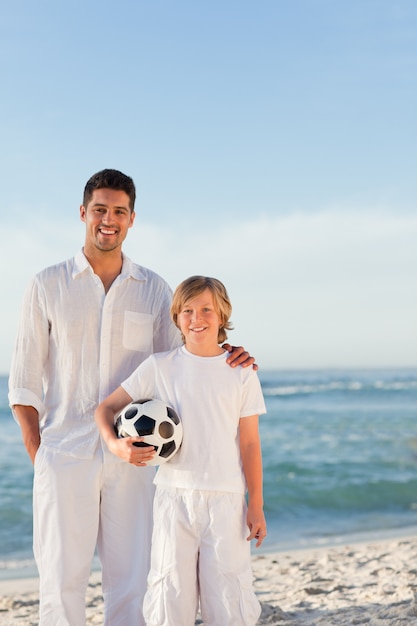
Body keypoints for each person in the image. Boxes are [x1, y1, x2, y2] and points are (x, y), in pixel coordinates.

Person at [8, 169, 256, 626]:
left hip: (137, 460)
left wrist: (229, 352)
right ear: (83, 214)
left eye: (118, 211)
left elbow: (185, 359)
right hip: (65, 454)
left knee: (133, 582)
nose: (109, 219)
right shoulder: (46, 285)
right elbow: (23, 385)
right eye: (99, 209)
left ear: (132, 219)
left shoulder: (156, 290)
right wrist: (40, 456)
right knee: (60, 582)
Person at [95, 275, 267, 626]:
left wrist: (257, 504)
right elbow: (106, 408)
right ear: (176, 317)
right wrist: (115, 445)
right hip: (174, 496)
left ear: (222, 316)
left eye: (206, 309)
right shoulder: (160, 366)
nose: (196, 318)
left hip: (227, 499)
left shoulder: (242, 372)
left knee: (229, 598)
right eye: (187, 310)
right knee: (169, 595)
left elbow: (249, 442)